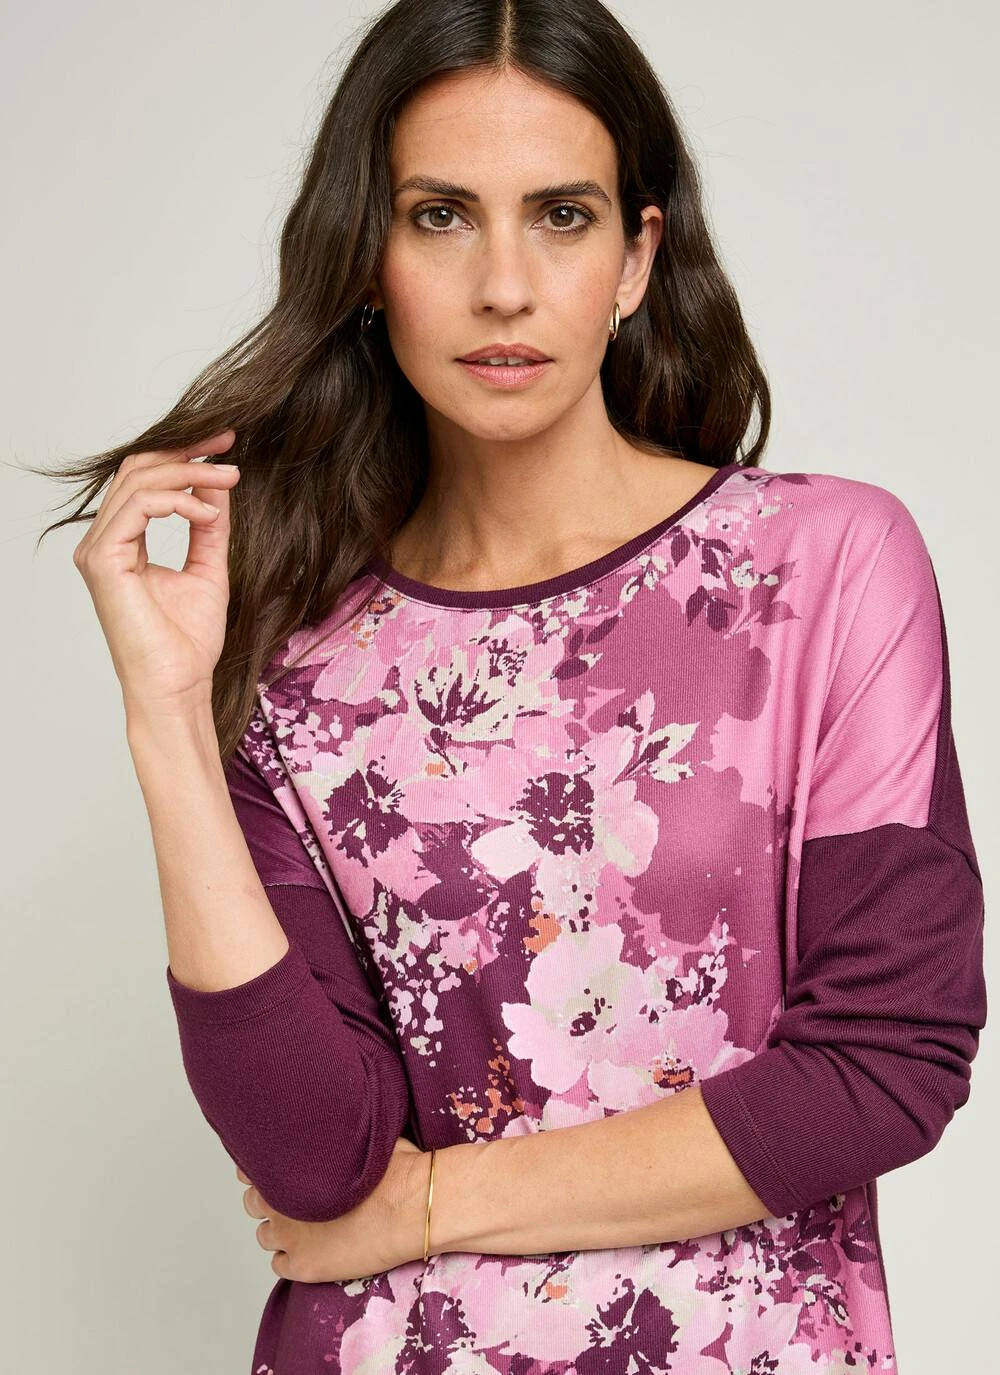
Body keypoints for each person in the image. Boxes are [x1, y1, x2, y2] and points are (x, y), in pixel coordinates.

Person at [36, 1, 986, 1371]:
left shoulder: (823, 566)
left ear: (635, 258)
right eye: (439, 217)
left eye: (560, 216)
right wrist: (171, 714)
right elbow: (314, 1156)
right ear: (368, 260)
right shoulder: (295, 665)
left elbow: (888, 1061)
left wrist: (432, 1202)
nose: (502, 284)